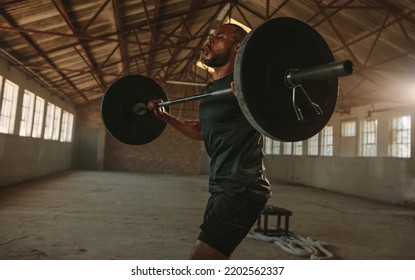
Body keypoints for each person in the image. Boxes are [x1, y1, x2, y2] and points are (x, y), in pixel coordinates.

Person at [148, 23, 271, 259]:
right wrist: (166, 118)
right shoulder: (210, 90)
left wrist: (251, 99)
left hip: (241, 187)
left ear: (237, 47)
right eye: (211, 36)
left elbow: (272, 116)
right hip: (222, 185)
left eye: (220, 37)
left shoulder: (249, 85)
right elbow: (201, 130)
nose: (211, 40)